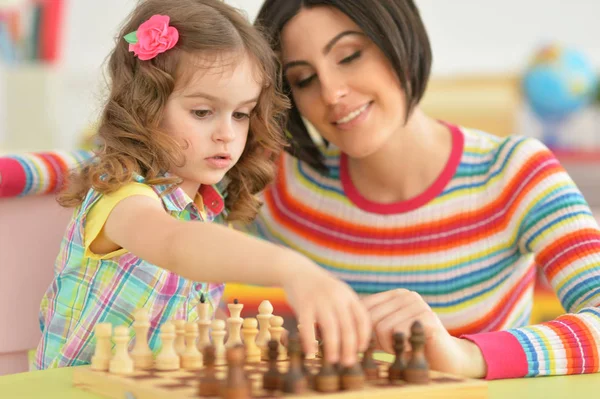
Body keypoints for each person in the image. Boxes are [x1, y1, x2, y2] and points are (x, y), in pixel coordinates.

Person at [251, 0, 600, 380]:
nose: (332, 93)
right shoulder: (280, 184)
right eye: (304, 79)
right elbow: (179, 240)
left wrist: (465, 356)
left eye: (350, 56)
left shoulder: (514, 174)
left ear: (400, 38)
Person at [34, 0, 372, 370]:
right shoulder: (123, 199)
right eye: (202, 112)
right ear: (145, 107)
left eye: (241, 114)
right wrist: (292, 269)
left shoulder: (208, 210)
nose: (227, 134)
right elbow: (175, 245)